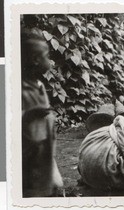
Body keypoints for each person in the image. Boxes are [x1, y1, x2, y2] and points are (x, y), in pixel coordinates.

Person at [21, 28, 63, 197]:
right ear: (35, 59)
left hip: (44, 158)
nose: (50, 61)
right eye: (47, 56)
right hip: (28, 167)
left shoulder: (38, 85)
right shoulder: (20, 90)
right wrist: (26, 116)